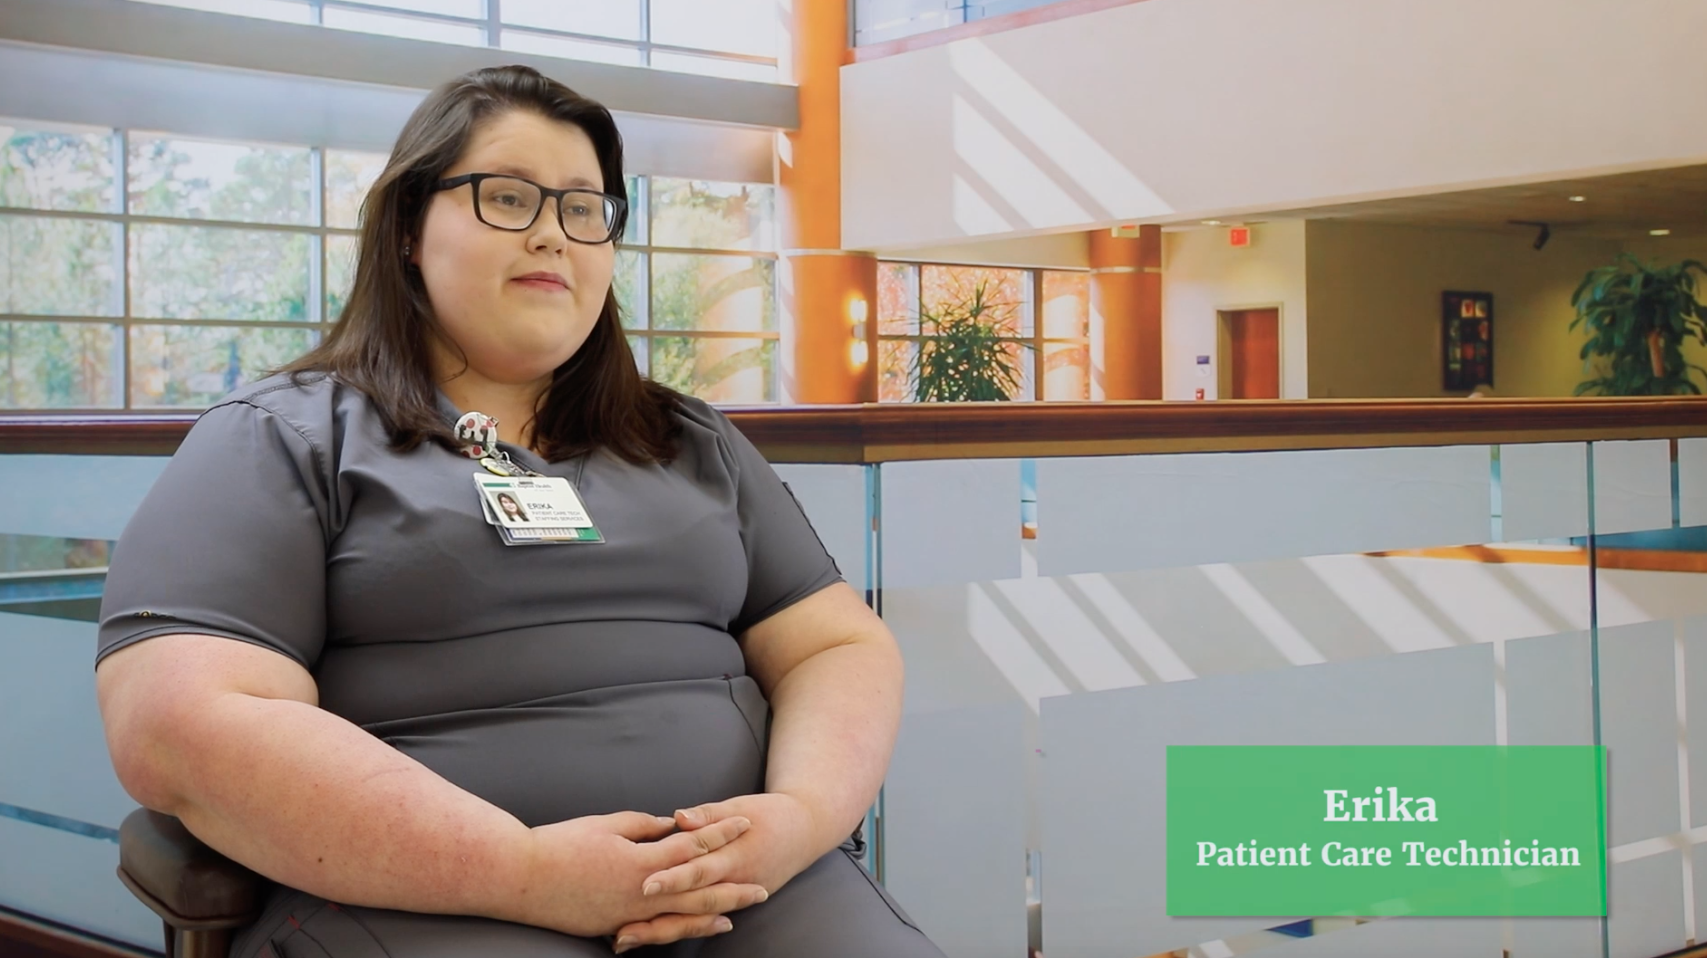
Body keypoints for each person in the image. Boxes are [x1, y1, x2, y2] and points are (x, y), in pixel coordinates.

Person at [94, 65, 943, 958]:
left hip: (744, 888)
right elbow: (177, 726)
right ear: (408, 230)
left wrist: (797, 818)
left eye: (584, 209)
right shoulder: (284, 437)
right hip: (434, 903)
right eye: (507, 197)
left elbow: (836, 645)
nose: (552, 234)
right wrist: (524, 871)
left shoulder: (688, 440)